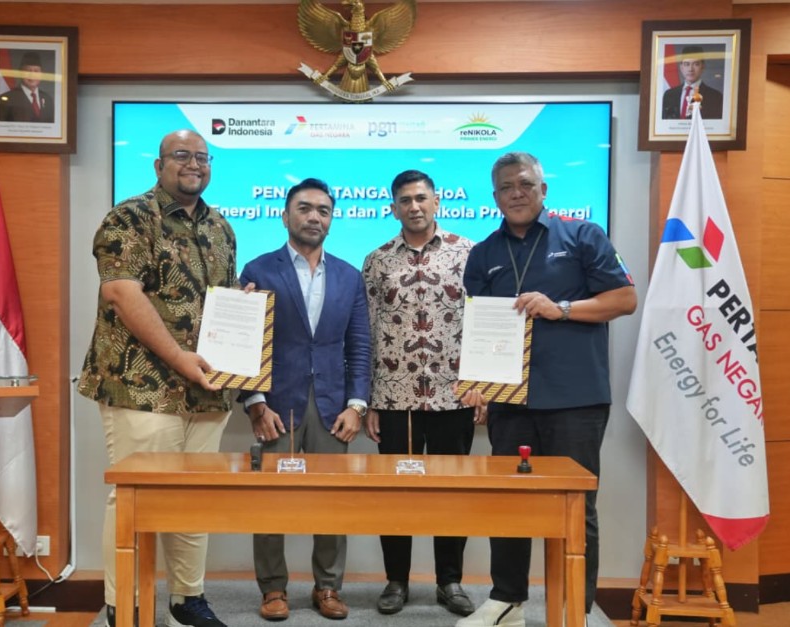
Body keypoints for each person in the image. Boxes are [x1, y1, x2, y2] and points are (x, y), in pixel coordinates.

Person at [457, 152, 636, 627]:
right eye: (505, 187)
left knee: (576, 504)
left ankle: (576, 607)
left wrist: (562, 308)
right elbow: (478, 327)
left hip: (575, 397)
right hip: (510, 401)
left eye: (524, 184)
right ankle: (507, 601)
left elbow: (624, 299)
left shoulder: (583, 236)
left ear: (543, 189)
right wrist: (477, 384)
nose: (515, 194)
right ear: (494, 197)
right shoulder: (483, 254)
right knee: (508, 501)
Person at [78, 129, 235, 627]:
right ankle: (125, 604)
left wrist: (243, 308)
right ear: (159, 165)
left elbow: (220, 301)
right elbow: (122, 295)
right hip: (140, 387)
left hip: (205, 391)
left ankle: (187, 599)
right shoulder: (129, 217)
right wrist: (180, 357)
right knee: (136, 496)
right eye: (182, 155)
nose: (194, 164)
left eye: (203, 157)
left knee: (193, 497)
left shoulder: (221, 227)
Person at [239, 178, 371, 622]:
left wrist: (357, 405)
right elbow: (245, 341)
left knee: (332, 499)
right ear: (285, 216)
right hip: (277, 406)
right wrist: (256, 403)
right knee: (270, 499)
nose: (314, 217)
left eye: (323, 210)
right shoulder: (258, 270)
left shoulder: (349, 275)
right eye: (304, 208)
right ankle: (273, 588)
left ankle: (328, 586)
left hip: (334, 407)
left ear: (331, 220)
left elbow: (360, 345)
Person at [361, 169, 477, 618]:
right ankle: (397, 580)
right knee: (397, 493)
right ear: (393, 208)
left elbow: (484, 323)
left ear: (437, 201)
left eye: (421, 198)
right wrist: (370, 399)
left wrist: (483, 387)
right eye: (405, 200)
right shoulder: (377, 260)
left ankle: (450, 581)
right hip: (395, 399)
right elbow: (366, 333)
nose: (414, 206)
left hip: (454, 397)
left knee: (451, 493)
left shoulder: (468, 253)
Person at [661, 45, 723, 120]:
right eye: (687, 64)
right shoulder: (669, 95)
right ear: (681, 67)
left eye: (696, 64)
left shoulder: (715, 97)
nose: (690, 69)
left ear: (703, 67)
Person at [0, 51, 55, 123]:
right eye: (28, 71)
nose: (32, 75)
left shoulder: (48, 99)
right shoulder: (7, 99)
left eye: (36, 71)